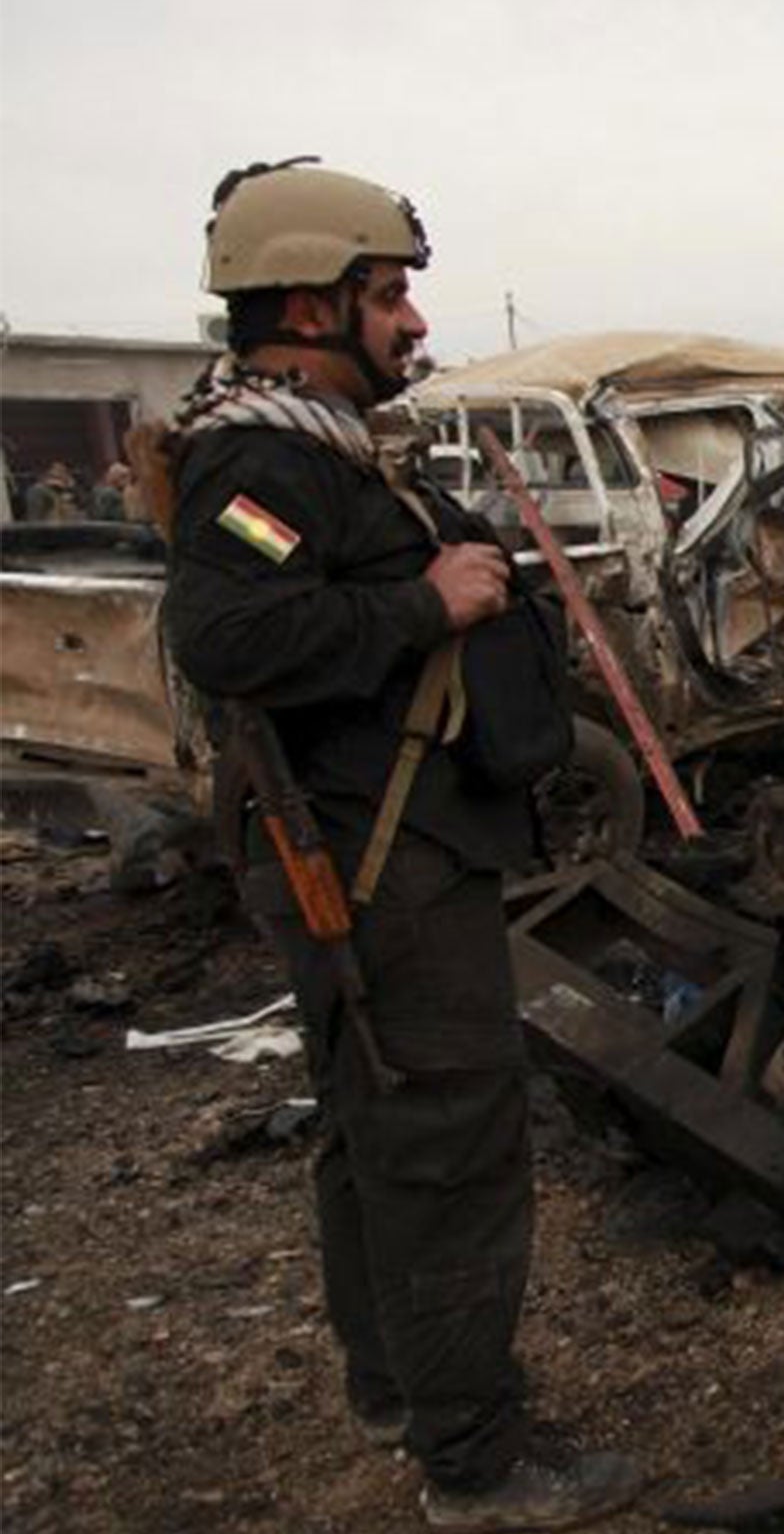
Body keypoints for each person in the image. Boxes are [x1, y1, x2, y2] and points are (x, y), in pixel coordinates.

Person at [159, 159, 640, 1532]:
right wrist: (428, 605)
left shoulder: (311, 443)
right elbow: (230, 637)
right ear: (309, 304)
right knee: (446, 1137)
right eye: (388, 295)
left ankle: (402, 1389)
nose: (416, 323)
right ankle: (477, 1463)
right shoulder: (258, 458)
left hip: (391, 839)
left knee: (381, 1128)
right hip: (374, 857)